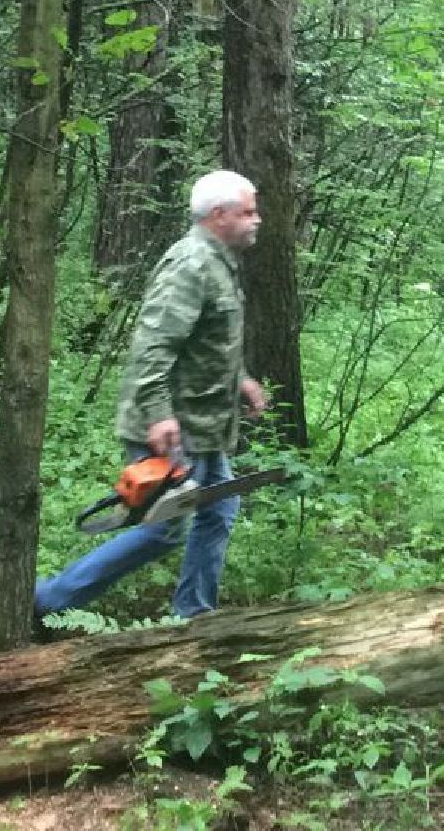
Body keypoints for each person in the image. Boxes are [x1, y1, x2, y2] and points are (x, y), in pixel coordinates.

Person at [35, 170, 269, 629]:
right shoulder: (191, 266)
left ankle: (193, 615)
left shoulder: (219, 261)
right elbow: (152, 348)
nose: (257, 220)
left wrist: (239, 379)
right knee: (164, 528)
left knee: (219, 508)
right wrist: (160, 417)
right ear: (218, 215)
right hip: (171, 426)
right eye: (248, 212)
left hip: (203, 425)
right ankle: (49, 600)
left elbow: (207, 339)